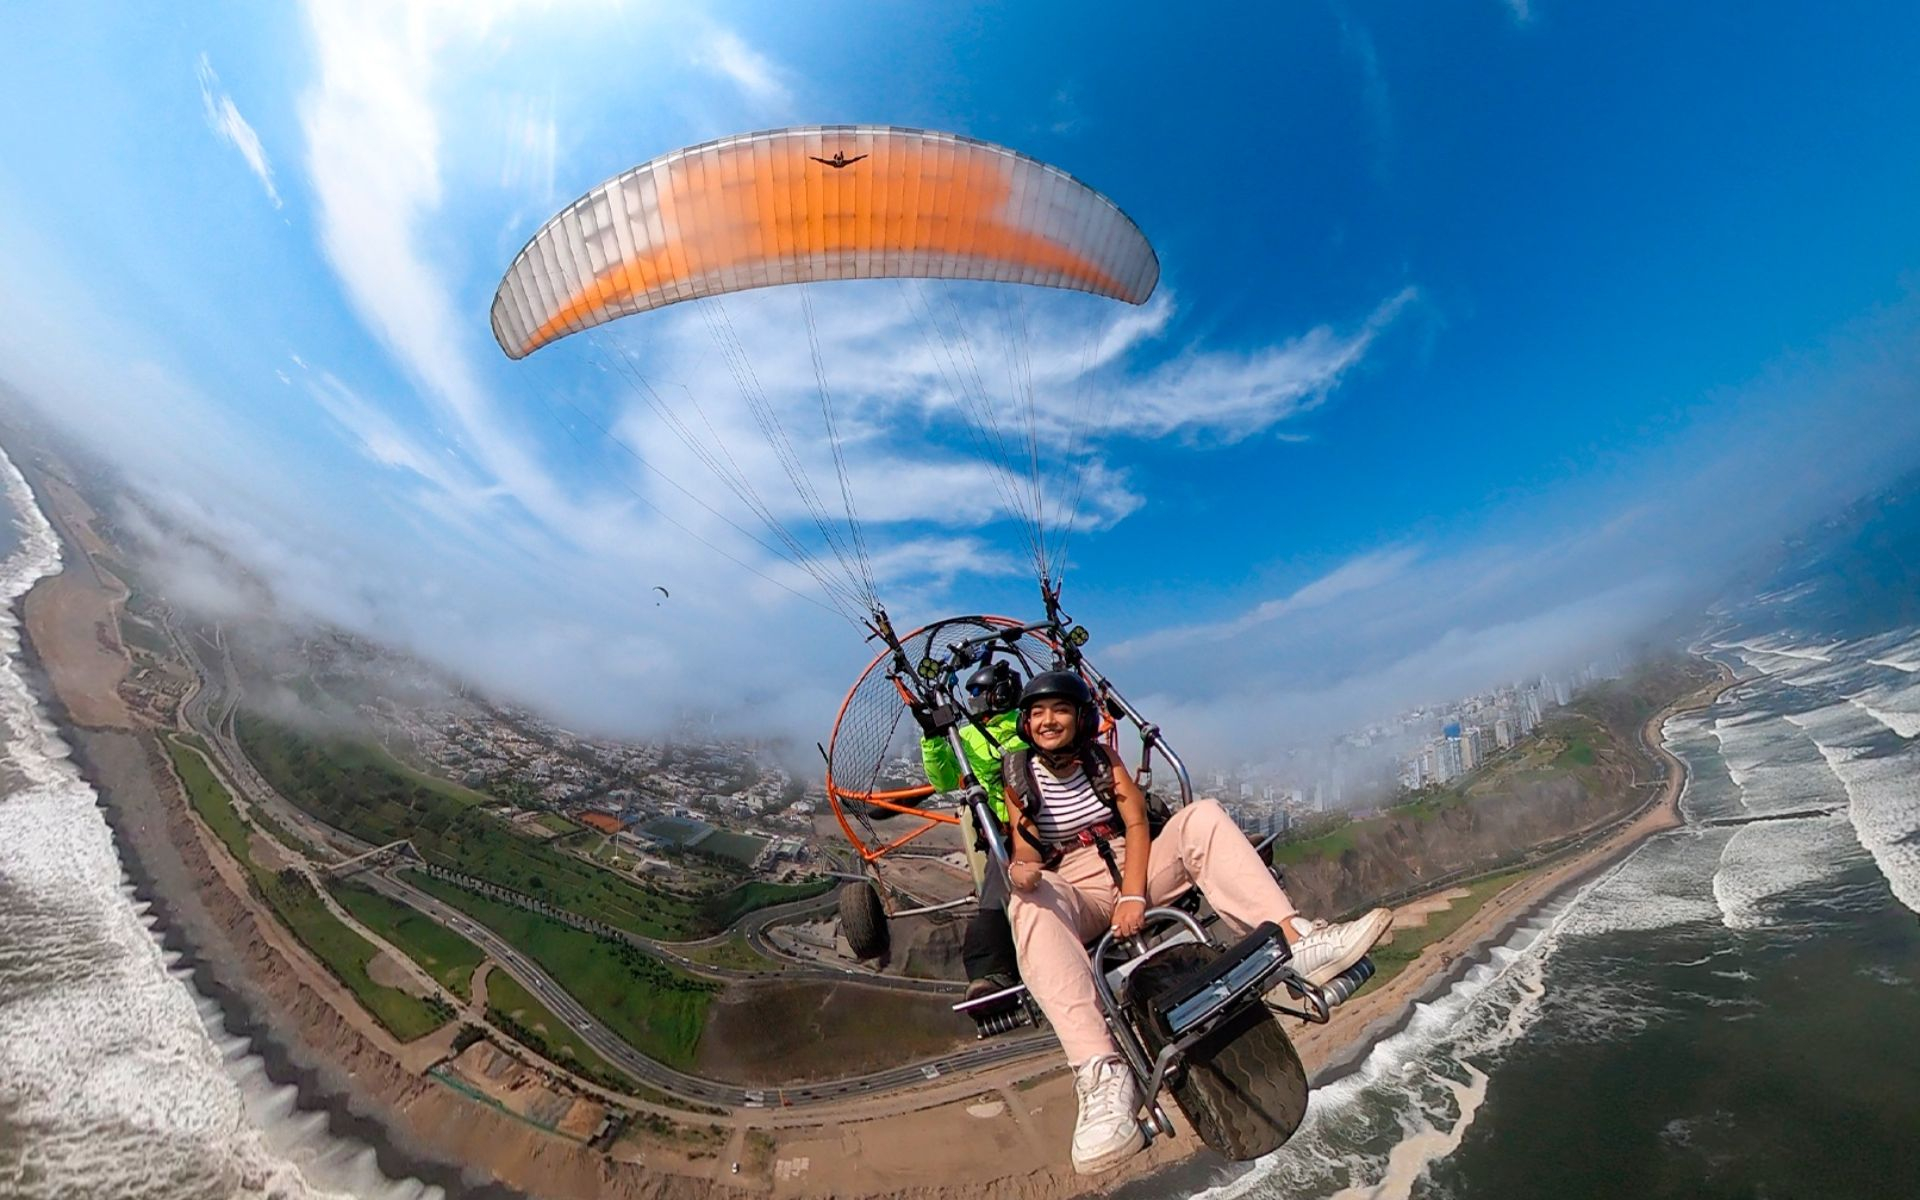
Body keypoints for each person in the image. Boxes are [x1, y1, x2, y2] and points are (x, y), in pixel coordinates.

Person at [1002, 671, 1392, 1175]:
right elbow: (1026, 848)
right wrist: (1022, 870)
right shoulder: (1020, 778)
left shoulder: (1103, 761)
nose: (1047, 721)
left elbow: (1138, 825)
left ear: (1081, 718)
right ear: (1025, 722)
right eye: (1036, 713)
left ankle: (1298, 942)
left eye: (1057, 710)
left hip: (1133, 864)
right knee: (1027, 906)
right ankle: (1102, 1074)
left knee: (1202, 815)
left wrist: (1135, 894)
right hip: (1077, 887)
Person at [912, 659, 1026, 1004]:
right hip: (1004, 831)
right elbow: (945, 780)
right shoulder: (966, 737)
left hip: (1032, 821)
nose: (972, 697)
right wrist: (933, 737)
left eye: (978, 691)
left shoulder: (1027, 723)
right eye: (970, 692)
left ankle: (993, 972)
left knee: (996, 894)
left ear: (999, 694)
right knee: (997, 887)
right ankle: (995, 971)